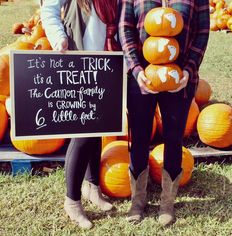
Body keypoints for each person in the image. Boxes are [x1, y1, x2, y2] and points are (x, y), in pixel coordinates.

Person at [118, 0, 210, 226]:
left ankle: (167, 202)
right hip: (142, 79)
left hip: (180, 79)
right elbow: (125, 27)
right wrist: (135, 68)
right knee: (139, 137)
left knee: (174, 137)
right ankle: (137, 200)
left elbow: (202, 33)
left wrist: (188, 70)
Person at [40, 0, 121, 229]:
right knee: (83, 133)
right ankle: (72, 201)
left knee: (98, 129)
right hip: (79, 62)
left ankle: (92, 187)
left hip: (108, 63)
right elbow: (49, 9)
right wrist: (58, 37)